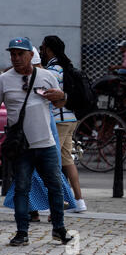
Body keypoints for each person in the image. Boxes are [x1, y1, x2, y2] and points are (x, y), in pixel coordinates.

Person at [1, 37, 73, 246]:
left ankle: (59, 229)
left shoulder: (47, 76)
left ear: (31, 56)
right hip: (21, 147)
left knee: (55, 187)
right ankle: (22, 232)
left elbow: (60, 102)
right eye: (12, 54)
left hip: (46, 143)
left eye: (20, 54)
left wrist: (62, 96)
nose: (16, 58)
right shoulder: (4, 79)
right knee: (22, 188)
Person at [40, 35, 87, 213]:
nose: (41, 51)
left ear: (49, 49)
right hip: (71, 119)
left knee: (53, 161)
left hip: (58, 120)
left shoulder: (53, 70)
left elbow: (46, 94)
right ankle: (79, 200)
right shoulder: (66, 66)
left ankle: (59, 201)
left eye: (43, 48)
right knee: (67, 160)